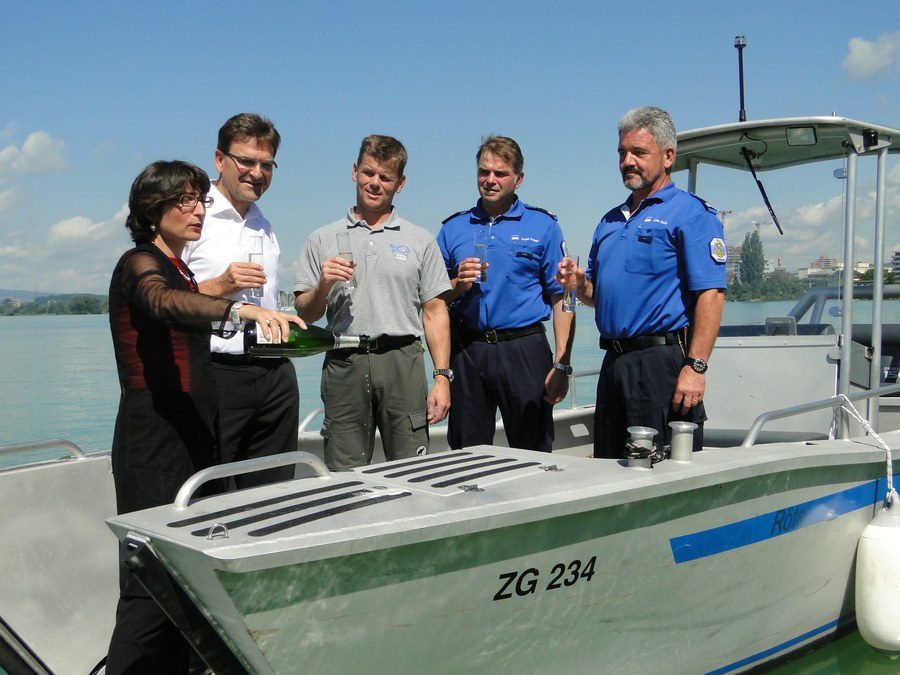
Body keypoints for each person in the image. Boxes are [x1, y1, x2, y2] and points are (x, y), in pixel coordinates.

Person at [106, 160, 302, 674]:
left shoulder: (181, 269)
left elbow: (183, 295)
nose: (198, 209)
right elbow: (162, 302)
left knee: (189, 574)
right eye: (184, 201)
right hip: (154, 436)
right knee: (149, 579)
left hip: (192, 432)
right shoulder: (139, 263)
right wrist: (239, 309)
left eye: (199, 199)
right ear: (153, 209)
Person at [562, 106, 727, 459]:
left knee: (663, 467)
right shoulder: (609, 222)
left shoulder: (691, 214)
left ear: (668, 157)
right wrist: (578, 283)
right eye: (622, 153)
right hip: (614, 364)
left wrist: (696, 367)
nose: (628, 162)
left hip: (660, 364)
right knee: (609, 465)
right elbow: (597, 296)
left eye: (638, 152)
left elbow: (711, 294)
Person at [293, 134, 452, 469]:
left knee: (411, 468)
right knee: (345, 470)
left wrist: (441, 378)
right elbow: (305, 313)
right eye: (368, 173)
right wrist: (323, 284)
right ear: (355, 171)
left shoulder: (421, 240)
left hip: (402, 360)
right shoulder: (321, 239)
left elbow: (435, 312)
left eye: (385, 177)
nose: (375, 183)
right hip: (344, 361)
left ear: (400, 183)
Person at [183, 113, 299, 488]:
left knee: (275, 490)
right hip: (216, 371)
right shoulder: (192, 215)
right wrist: (222, 283)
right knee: (209, 487)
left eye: (267, 165)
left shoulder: (263, 223)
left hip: (274, 371)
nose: (257, 173)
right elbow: (166, 299)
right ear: (220, 160)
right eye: (247, 161)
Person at [437, 135, 574, 453]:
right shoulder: (453, 228)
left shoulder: (543, 226)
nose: (490, 180)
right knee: (467, 453)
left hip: (524, 350)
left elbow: (564, 298)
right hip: (469, 350)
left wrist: (562, 365)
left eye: (500, 173)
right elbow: (432, 301)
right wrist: (457, 285)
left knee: (533, 451)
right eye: (484, 172)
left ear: (518, 179)